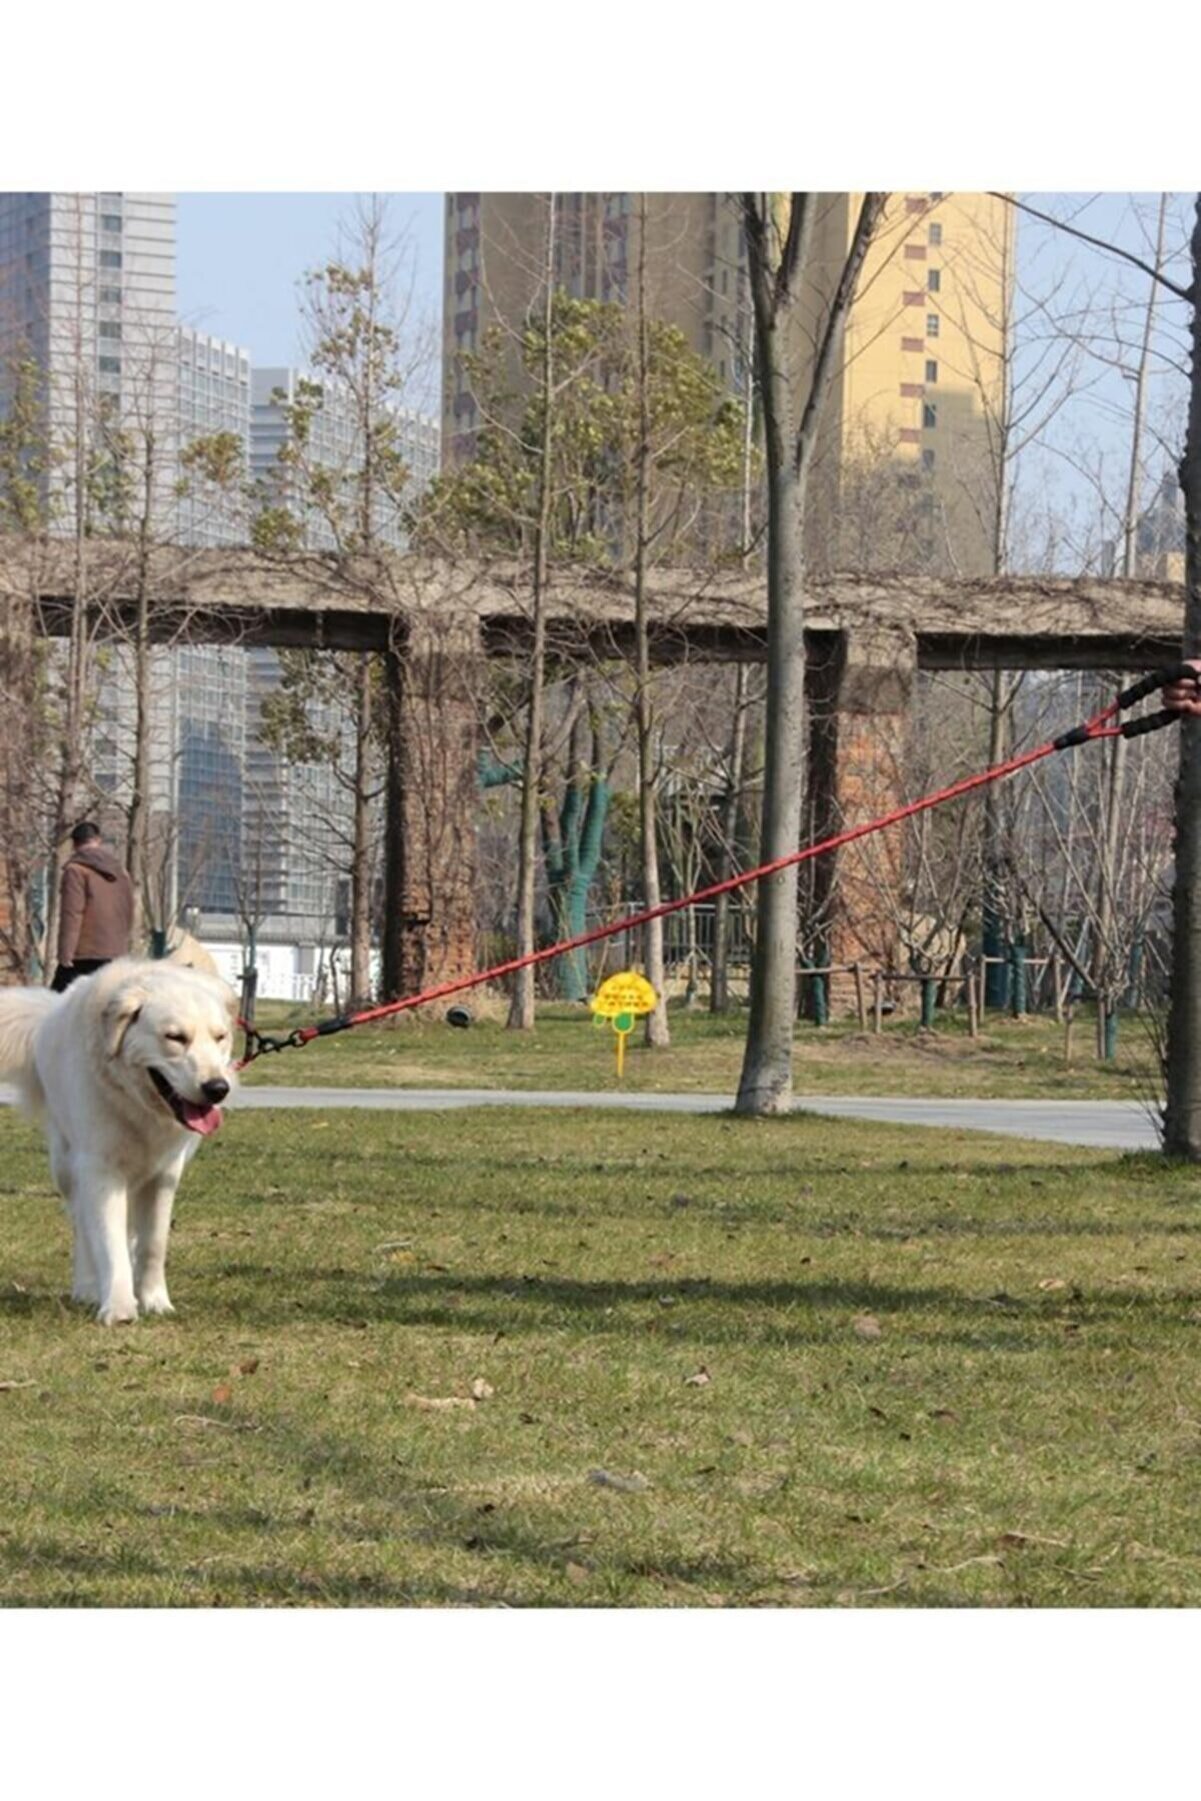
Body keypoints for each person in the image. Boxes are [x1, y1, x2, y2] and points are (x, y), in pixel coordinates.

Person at [51, 822, 135, 993]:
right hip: (115, 952)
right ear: (98, 840)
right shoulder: (121, 872)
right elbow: (129, 909)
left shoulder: (76, 871)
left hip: (85, 952)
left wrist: (65, 955)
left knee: (54, 1004)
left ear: (74, 844)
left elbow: (72, 913)